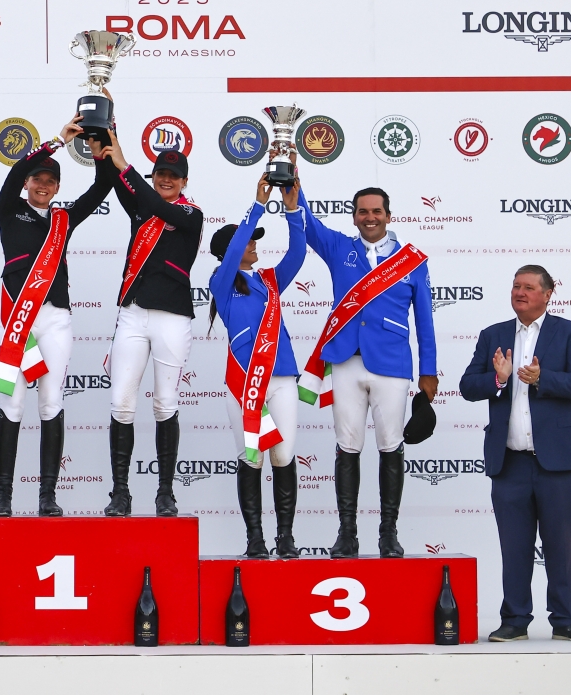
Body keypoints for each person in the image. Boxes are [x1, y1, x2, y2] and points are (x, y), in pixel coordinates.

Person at [296, 185, 436, 558]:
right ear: (354, 216)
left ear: (388, 215)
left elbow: (425, 320)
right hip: (345, 361)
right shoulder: (340, 248)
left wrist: (429, 370)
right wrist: (295, 184)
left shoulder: (411, 261)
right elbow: (309, 225)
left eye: (376, 211)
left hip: (392, 363)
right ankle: (347, 533)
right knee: (348, 445)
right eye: (362, 211)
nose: (369, 218)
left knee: (390, 444)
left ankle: (388, 533)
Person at [459, 265, 571, 642]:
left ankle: (565, 620)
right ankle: (515, 620)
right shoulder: (493, 335)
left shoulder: (570, 332)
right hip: (509, 463)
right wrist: (498, 378)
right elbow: (467, 386)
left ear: (548, 294)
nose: (520, 292)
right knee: (514, 547)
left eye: (529, 287)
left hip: (557, 463)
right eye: (516, 286)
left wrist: (542, 378)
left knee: (559, 546)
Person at [0, 114, 112, 517]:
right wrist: (56, 142)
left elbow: (101, 188)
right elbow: (14, 173)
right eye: (37, 179)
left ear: (58, 187)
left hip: (56, 318)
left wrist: (101, 147)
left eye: (50, 181)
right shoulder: (9, 209)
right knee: (12, 405)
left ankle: (47, 496)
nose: (42, 186)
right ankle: (3, 496)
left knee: (51, 402)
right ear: (28, 183)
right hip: (17, 320)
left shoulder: (64, 219)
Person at [97, 128, 203, 517]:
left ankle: (165, 493)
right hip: (134, 313)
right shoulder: (143, 205)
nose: (166, 179)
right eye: (160, 173)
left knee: (164, 403)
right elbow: (117, 180)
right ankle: (120, 493)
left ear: (184, 182)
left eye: (174, 176)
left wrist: (126, 165)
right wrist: (104, 140)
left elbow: (161, 208)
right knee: (122, 402)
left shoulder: (191, 213)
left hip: (172, 317)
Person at [208, 162, 306, 557]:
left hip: (281, 377)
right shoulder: (221, 281)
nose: (254, 245)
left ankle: (286, 538)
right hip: (244, 382)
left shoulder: (269, 280)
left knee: (283, 455)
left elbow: (297, 254)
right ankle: (255, 539)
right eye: (248, 241)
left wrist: (292, 209)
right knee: (251, 457)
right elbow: (234, 251)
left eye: (253, 241)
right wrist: (258, 205)